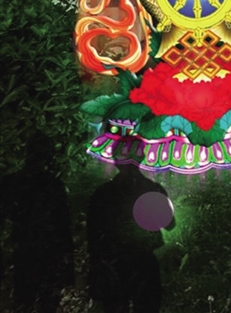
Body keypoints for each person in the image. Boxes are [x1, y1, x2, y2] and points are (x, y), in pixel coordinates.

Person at [87, 155, 174, 313]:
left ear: (116, 161)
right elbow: (169, 224)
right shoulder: (152, 189)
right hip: (143, 262)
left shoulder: (103, 193)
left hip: (114, 264)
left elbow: (93, 234)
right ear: (141, 158)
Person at [0, 133, 75, 313]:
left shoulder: (13, 183)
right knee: (38, 303)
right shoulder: (52, 185)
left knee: (25, 302)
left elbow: (63, 227)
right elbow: (63, 228)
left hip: (28, 255)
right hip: (41, 256)